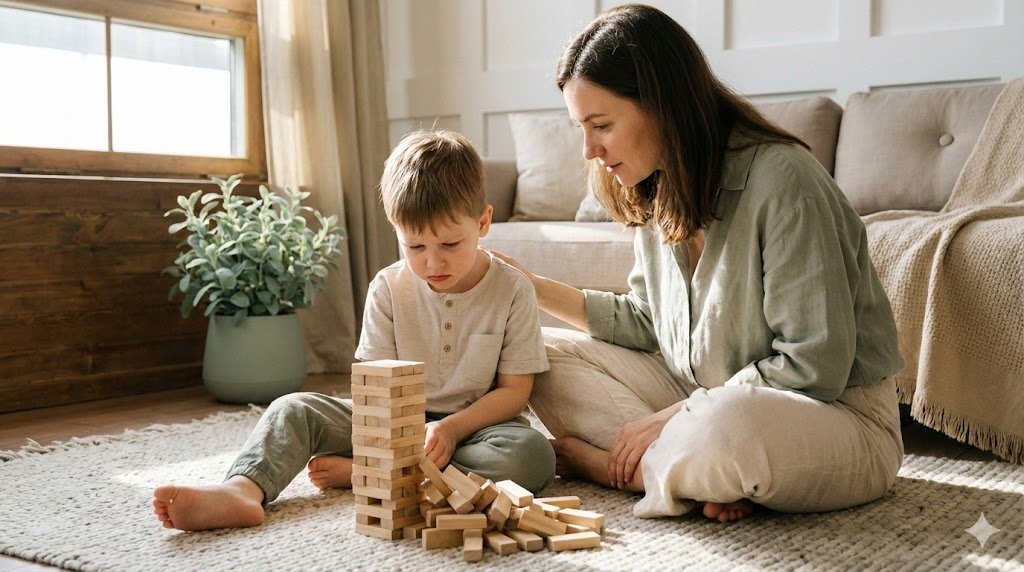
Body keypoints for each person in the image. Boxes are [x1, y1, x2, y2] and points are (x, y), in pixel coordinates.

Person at [487, 3, 905, 523]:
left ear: (663, 106)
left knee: (726, 425)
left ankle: (625, 468)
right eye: (581, 128)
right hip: (704, 395)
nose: (589, 149)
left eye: (601, 125)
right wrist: (530, 287)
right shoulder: (657, 183)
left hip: (833, 418)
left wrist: (676, 416)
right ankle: (694, 471)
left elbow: (813, 367)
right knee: (541, 353)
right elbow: (647, 321)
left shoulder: (785, 181)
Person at [153, 130, 555, 531]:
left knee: (531, 456)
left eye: (450, 245)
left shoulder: (513, 288)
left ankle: (368, 473)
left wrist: (450, 429)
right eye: (415, 247)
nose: (433, 263)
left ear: (483, 222)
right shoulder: (387, 288)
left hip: (476, 430)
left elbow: (514, 392)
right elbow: (374, 388)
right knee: (293, 409)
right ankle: (241, 489)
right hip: (393, 421)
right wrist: (397, 436)